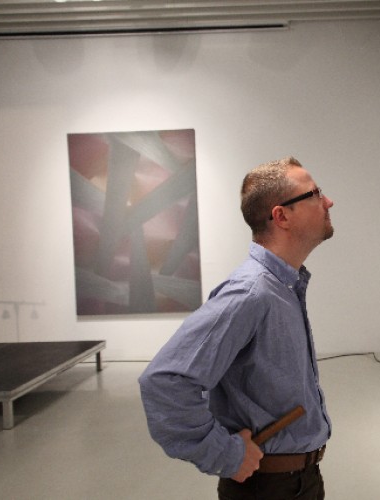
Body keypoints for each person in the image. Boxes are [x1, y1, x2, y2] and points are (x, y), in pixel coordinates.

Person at [139, 156, 334, 500]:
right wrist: (223, 453)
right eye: (315, 193)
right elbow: (165, 381)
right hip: (268, 489)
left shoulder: (284, 286)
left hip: (299, 480)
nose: (328, 201)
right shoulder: (251, 293)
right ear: (281, 216)